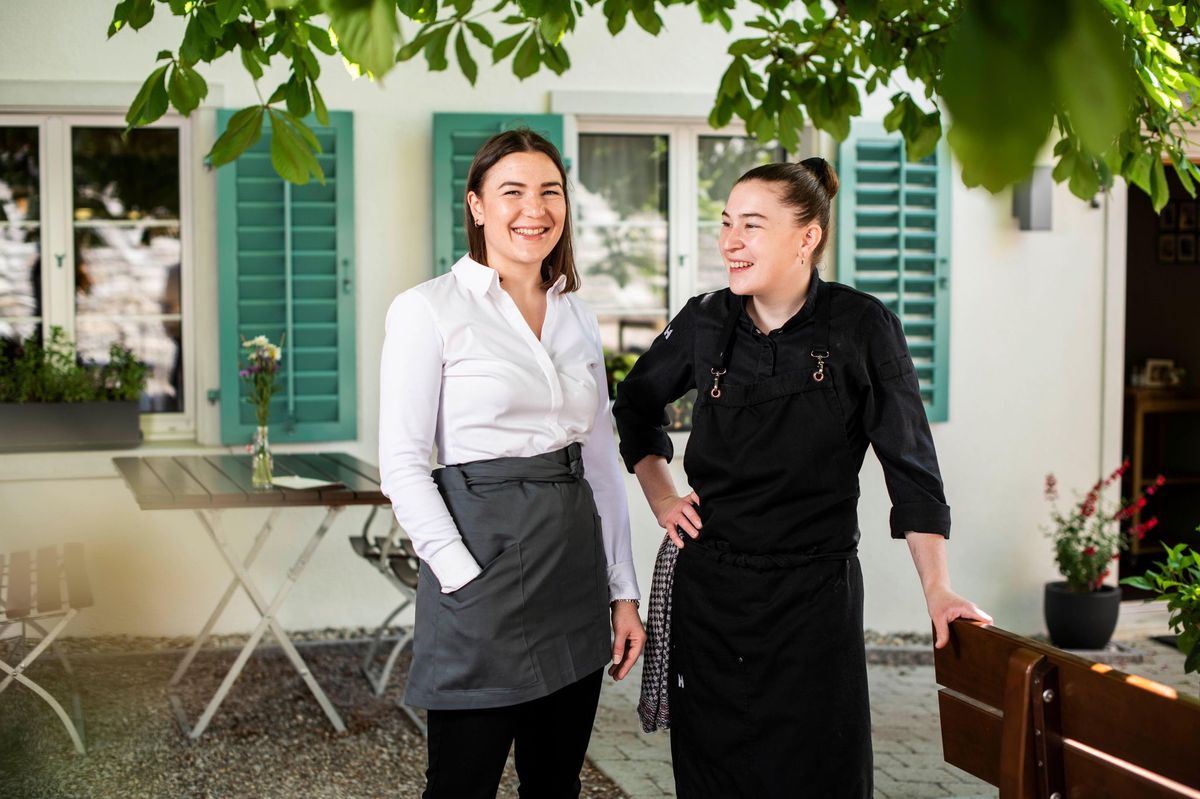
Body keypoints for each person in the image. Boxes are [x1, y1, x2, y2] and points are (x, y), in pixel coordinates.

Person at [612, 158, 991, 798]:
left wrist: (939, 590)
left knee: (821, 777)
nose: (730, 241)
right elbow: (634, 405)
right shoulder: (706, 321)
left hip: (815, 601)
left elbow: (912, 470)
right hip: (713, 596)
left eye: (752, 226)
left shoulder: (863, 326)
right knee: (712, 777)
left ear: (807, 236)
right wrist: (662, 497)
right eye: (726, 224)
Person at [378, 129, 645, 799]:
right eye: (513, 191)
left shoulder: (578, 316)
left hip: (574, 574)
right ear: (476, 205)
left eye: (550, 191)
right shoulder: (427, 310)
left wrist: (623, 589)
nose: (535, 208)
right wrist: (462, 577)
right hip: (482, 566)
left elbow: (603, 464)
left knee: (555, 783)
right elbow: (403, 463)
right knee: (461, 783)